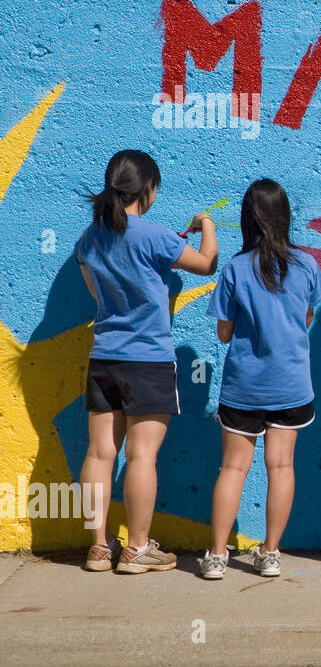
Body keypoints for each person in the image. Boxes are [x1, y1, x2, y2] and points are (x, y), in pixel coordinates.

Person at [76, 149, 218, 573]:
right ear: (148, 189)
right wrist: (206, 225)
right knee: (142, 456)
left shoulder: (90, 237)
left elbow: (95, 291)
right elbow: (207, 264)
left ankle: (99, 547)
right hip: (149, 361)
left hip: (104, 357)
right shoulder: (156, 235)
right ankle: (137, 548)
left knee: (100, 453)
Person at [199, 180, 321, 580]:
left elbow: (223, 333)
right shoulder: (307, 265)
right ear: (285, 217)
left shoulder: (236, 268)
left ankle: (218, 556)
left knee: (233, 469)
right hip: (291, 385)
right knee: (281, 466)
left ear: (247, 220)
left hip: (243, 387)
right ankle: (270, 553)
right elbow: (307, 318)